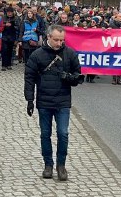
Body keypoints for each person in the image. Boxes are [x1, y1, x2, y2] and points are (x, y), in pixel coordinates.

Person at [24, 25, 82, 181]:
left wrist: (68, 77)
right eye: (56, 40)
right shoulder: (37, 55)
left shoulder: (69, 54)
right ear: (48, 37)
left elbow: (78, 76)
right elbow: (29, 78)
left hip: (63, 100)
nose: (59, 43)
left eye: (61, 40)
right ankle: (48, 165)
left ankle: (61, 165)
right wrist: (29, 99)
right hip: (44, 101)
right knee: (45, 134)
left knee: (63, 134)